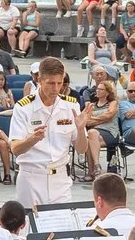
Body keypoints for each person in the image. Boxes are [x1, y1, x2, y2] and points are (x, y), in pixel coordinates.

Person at [8, 57, 82, 207]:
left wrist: (81, 130)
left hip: (60, 178)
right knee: (30, 226)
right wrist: (32, 139)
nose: (56, 88)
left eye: (59, 83)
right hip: (32, 178)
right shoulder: (24, 107)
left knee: (63, 224)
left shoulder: (70, 105)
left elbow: (81, 149)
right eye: (51, 83)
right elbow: (15, 149)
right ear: (39, 79)